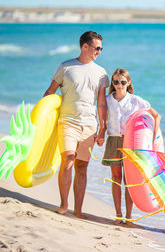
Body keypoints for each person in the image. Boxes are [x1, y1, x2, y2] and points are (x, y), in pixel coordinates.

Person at [43, 31, 109, 218]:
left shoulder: (101, 73)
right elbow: (50, 92)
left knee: (82, 166)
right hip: (67, 121)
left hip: (89, 125)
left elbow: (101, 102)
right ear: (85, 47)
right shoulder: (66, 67)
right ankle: (64, 205)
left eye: (101, 48)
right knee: (68, 159)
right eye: (97, 48)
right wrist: (43, 118)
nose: (99, 51)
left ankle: (78, 210)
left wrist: (102, 127)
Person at [98, 68, 161, 225]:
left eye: (123, 82)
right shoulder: (107, 99)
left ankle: (128, 216)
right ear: (112, 83)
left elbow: (156, 115)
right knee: (116, 178)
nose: (119, 85)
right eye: (116, 82)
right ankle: (118, 214)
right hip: (113, 140)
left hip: (131, 142)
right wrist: (100, 133)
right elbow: (102, 120)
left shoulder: (136, 100)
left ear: (129, 83)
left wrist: (153, 138)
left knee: (129, 181)